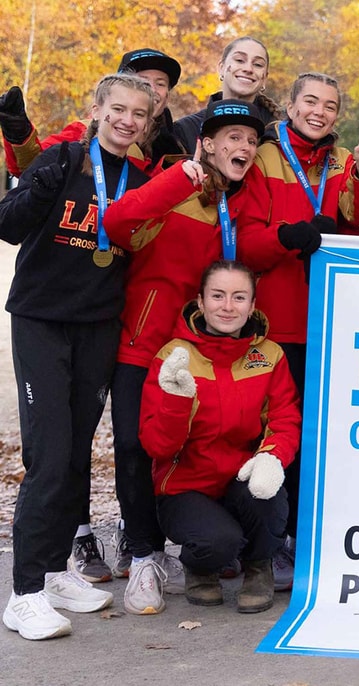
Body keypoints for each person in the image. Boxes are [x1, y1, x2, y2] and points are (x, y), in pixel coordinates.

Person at [0, 73, 156, 640]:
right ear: (97, 110)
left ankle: (54, 569)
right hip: (42, 320)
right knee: (50, 452)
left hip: (98, 326)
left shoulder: (142, 178)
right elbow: (7, 226)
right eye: (118, 109)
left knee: (76, 452)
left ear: (147, 123)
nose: (127, 121)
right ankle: (24, 594)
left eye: (139, 114)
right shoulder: (61, 159)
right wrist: (36, 186)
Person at [103, 99, 270, 614]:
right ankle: (145, 556)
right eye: (231, 138)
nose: (240, 147)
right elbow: (118, 221)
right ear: (208, 144)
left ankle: (200, 546)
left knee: (198, 446)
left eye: (249, 140)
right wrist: (181, 179)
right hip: (146, 341)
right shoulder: (174, 181)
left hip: (205, 350)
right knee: (135, 449)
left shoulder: (244, 200)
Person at [239, 71, 359, 590]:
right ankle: (268, 542)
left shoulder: (345, 162)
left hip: (335, 321)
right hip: (276, 323)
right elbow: (244, 242)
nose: (319, 112)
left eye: (330, 105)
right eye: (310, 102)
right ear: (292, 106)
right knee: (275, 437)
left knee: (322, 438)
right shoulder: (264, 156)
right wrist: (292, 236)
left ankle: (306, 536)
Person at [139, 260, 301, 614]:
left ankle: (260, 567)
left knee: (269, 491)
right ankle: (201, 566)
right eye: (218, 296)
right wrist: (176, 401)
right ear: (200, 301)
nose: (228, 306)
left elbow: (285, 418)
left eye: (239, 297)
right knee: (218, 542)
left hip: (239, 478)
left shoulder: (269, 355)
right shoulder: (174, 356)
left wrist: (273, 455)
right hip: (186, 487)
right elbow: (157, 445)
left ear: (253, 306)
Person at [1, 48, 187, 176]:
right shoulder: (85, 130)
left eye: (161, 83)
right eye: (143, 80)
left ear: (167, 95)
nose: (152, 89)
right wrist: (18, 132)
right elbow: (30, 167)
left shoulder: (176, 147)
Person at [175, 37, 284, 154]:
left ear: (264, 78)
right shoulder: (186, 129)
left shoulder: (280, 130)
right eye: (239, 60)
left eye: (257, 64)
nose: (248, 69)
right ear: (221, 68)